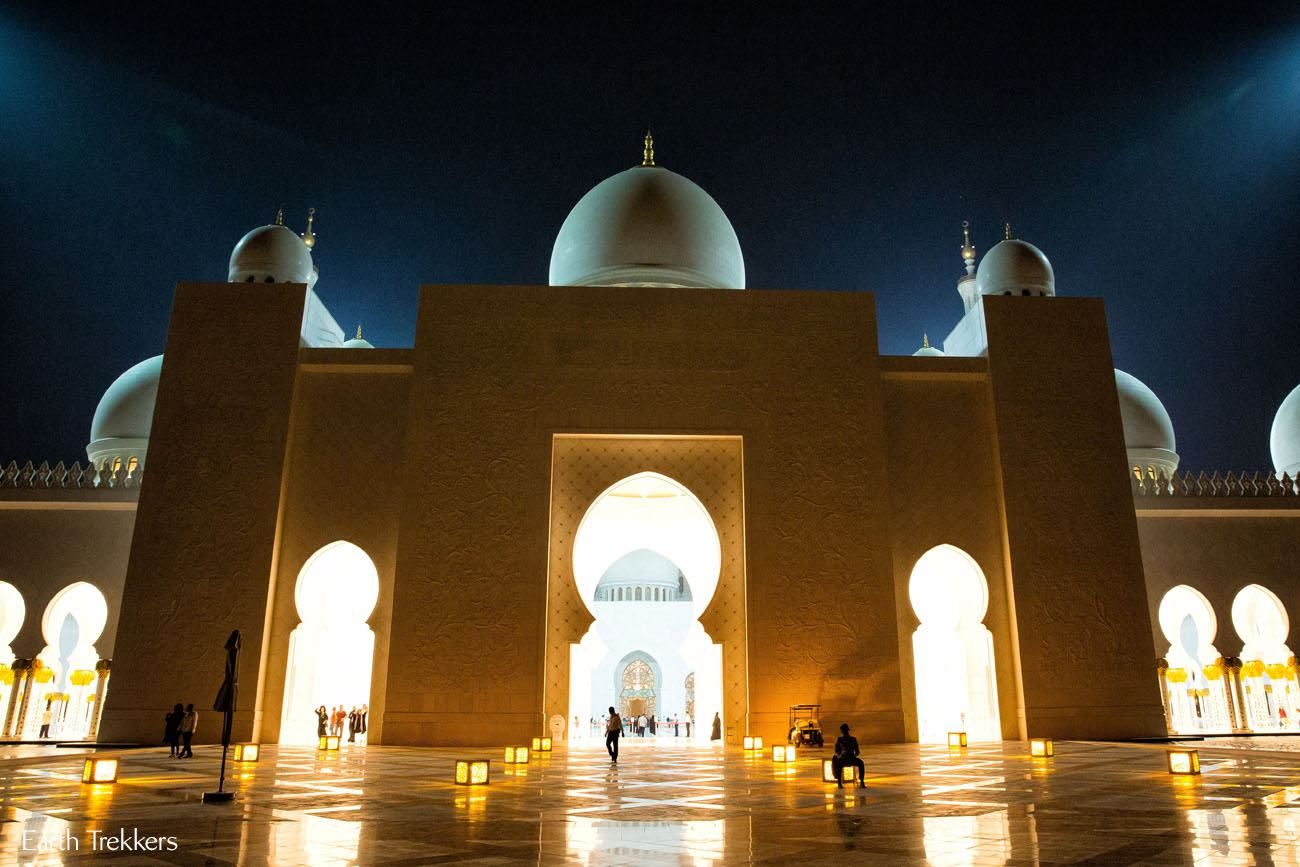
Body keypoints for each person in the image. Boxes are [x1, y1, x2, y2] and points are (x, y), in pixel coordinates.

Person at [832, 723, 866, 789]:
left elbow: (857, 751)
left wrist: (854, 755)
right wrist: (839, 755)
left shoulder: (853, 739)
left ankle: (861, 780)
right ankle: (839, 782)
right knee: (838, 762)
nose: (844, 732)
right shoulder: (840, 740)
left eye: (845, 731)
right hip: (843, 759)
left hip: (851, 758)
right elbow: (836, 751)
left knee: (861, 763)